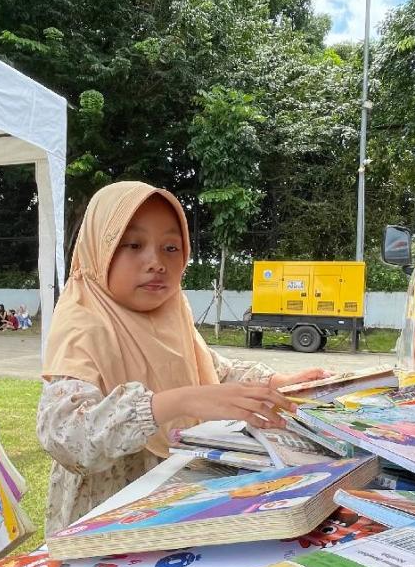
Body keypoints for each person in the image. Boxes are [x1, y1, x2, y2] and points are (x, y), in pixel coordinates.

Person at [37, 181, 330, 533]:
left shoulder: (172, 310)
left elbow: (212, 372)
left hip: (175, 497)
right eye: (133, 245)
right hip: (110, 515)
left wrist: (274, 383)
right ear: (99, 249)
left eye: (171, 248)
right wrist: (178, 402)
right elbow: (66, 434)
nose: (156, 263)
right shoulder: (84, 321)